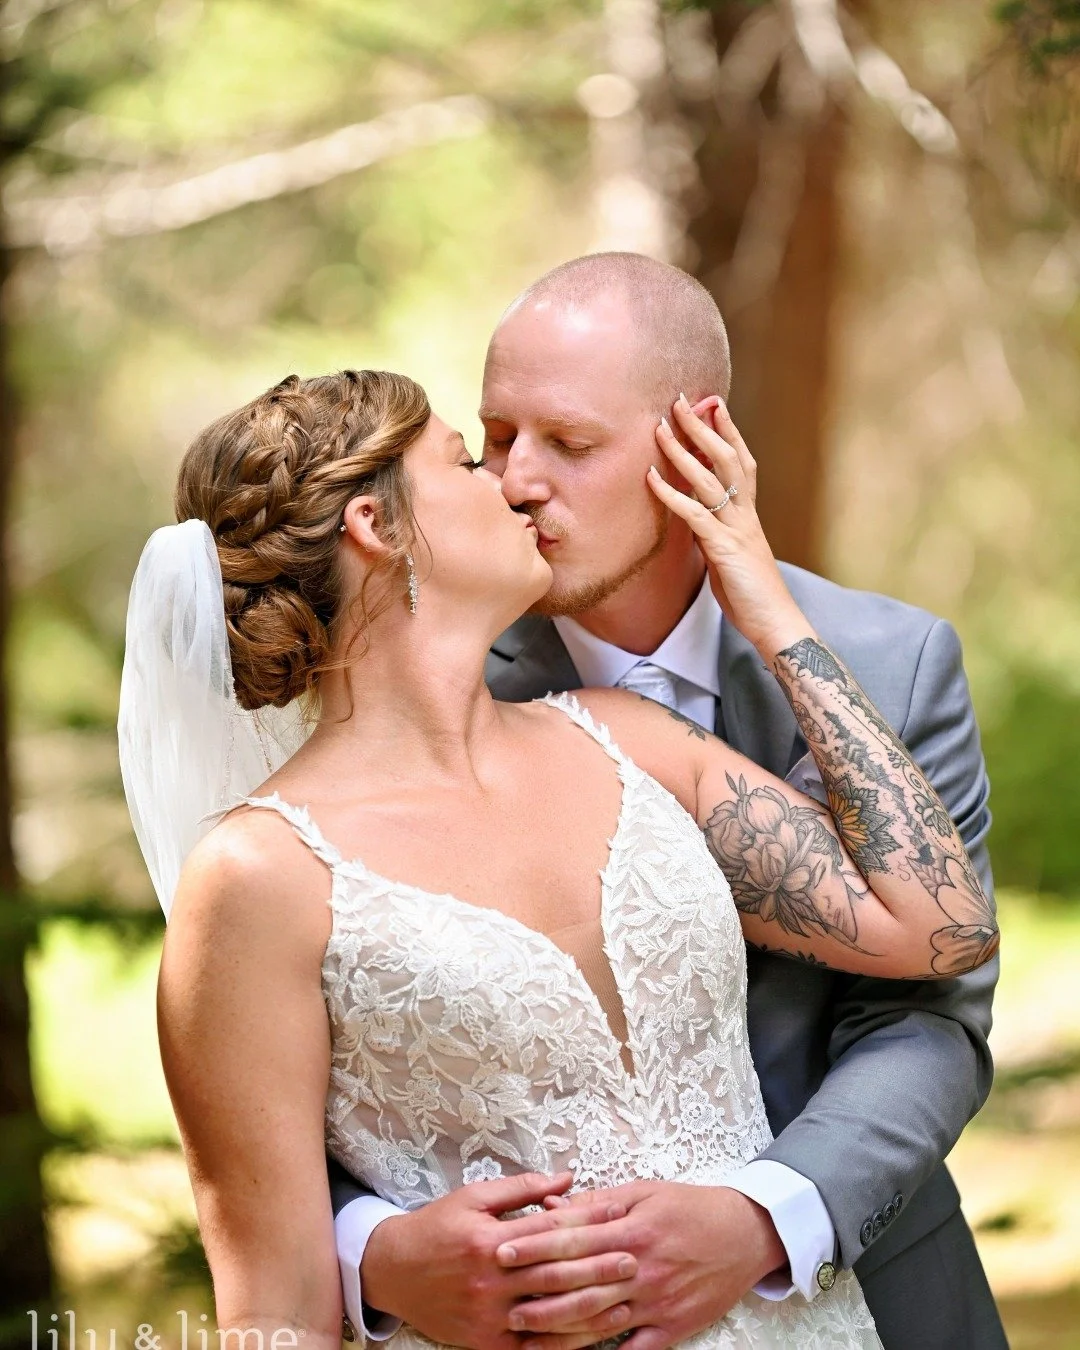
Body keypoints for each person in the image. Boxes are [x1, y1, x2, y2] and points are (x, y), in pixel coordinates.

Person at [120, 361, 997, 1350]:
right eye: (464, 460)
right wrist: (388, 1260)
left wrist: (766, 604)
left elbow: (943, 929)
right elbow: (274, 1315)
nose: (511, 486)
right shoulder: (257, 876)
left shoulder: (633, 741)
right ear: (379, 525)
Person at [328, 255, 1006, 1350]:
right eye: (495, 438)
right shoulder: (419, 683)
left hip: (876, 1297)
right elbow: (299, 1036)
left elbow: (933, 1012)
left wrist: (764, 1216)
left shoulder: (895, 661)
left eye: (571, 443)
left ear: (696, 440)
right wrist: (378, 1250)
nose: (516, 480)